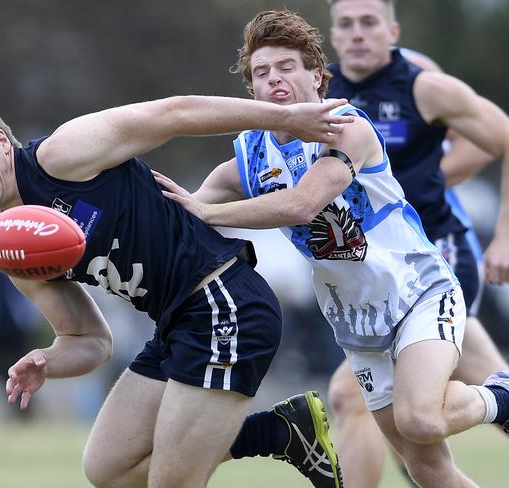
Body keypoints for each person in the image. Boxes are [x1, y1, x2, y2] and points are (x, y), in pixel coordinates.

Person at [0, 91, 351, 487]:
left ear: (0, 140)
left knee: (171, 482)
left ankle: (276, 433)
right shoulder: (15, 249)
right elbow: (90, 341)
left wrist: (287, 117)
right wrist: (46, 361)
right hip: (175, 324)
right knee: (108, 468)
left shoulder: (63, 155)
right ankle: (280, 431)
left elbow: (175, 113)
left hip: (223, 300)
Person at [153, 9, 509, 488]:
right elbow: (182, 212)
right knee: (427, 468)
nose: (274, 79)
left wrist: (209, 213)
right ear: (253, 92)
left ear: (318, 77)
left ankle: (501, 394)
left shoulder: (348, 128)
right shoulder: (249, 156)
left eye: (287, 67)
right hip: (358, 324)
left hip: (419, 293)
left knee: (420, 419)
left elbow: (303, 204)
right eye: (262, 73)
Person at [324, 1, 509, 485]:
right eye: (346, 24)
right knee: (467, 396)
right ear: (333, 35)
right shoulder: (320, 92)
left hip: (438, 260)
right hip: (376, 273)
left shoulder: (423, 87)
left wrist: (504, 238)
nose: (358, 33)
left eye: (369, 23)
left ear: (393, 31)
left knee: (354, 397)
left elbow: (503, 137)